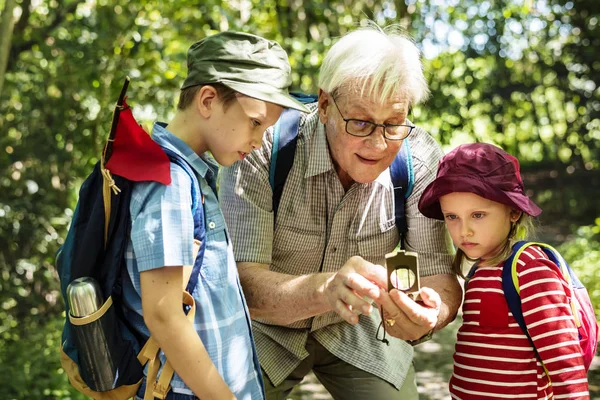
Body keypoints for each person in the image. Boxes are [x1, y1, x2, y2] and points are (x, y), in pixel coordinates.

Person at [218, 23, 462, 399]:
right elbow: (240, 283)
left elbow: (436, 273)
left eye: (394, 124)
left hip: (361, 325)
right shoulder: (263, 146)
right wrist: (326, 290)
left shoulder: (420, 157)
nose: (378, 143)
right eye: (360, 122)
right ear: (325, 104)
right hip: (263, 328)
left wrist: (432, 314)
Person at [119, 31, 310, 400]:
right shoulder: (169, 181)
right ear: (208, 100)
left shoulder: (191, 177)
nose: (258, 142)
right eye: (255, 122)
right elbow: (164, 315)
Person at [418, 143, 590, 398]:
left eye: (477, 215)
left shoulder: (529, 269)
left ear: (513, 211)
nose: (464, 230)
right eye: (452, 217)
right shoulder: (480, 269)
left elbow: (563, 358)